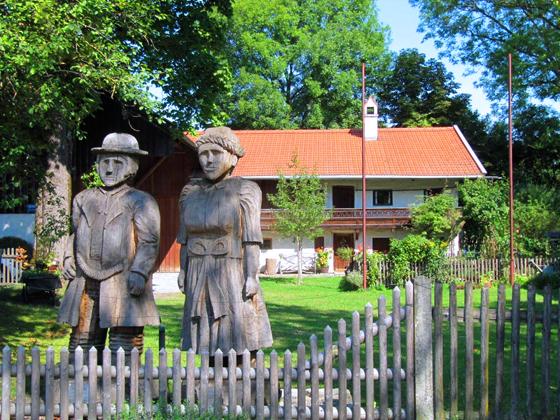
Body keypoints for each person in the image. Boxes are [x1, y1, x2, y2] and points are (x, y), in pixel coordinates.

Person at [58, 133, 160, 360]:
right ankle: (81, 381)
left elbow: (149, 241)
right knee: (82, 338)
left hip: (122, 280)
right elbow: (75, 233)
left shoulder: (141, 201)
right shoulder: (83, 199)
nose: (110, 169)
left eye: (117, 163)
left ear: (132, 167)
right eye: (105, 162)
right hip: (85, 279)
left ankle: (124, 383)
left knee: (124, 340)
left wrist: (139, 272)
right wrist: (68, 258)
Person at [178, 127, 272, 355]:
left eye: (215, 153)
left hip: (231, 270)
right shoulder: (190, 193)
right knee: (203, 328)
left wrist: (251, 276)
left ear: (232, 157)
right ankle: (209, 377)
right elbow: (184, 238)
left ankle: (241, 375)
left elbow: (251, 239)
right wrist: (183, 271)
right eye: (203, 153)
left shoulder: (245, 190)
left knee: (236, 326)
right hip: (198, 268)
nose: (208, 160)